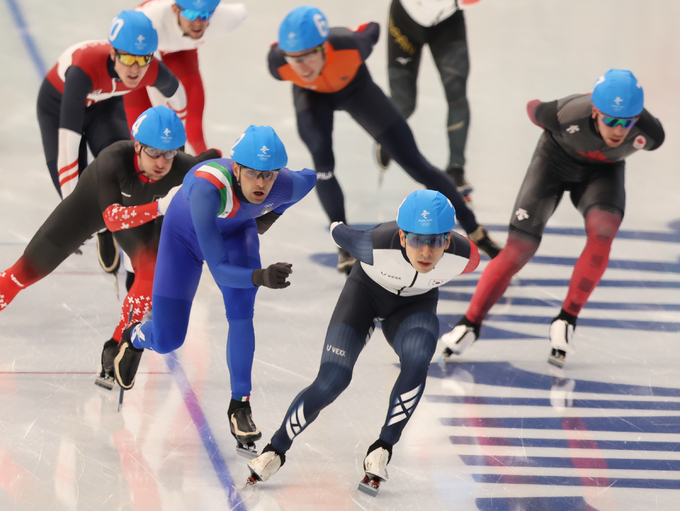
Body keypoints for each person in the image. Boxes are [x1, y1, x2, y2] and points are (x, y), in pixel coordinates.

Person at [245, 189, 480, 495]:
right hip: (365, 297)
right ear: (401, 236)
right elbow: (337, 230)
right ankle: (275, 449)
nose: (425, 252)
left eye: (435, 241)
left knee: (418, 358)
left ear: (448, 240)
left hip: (415, 306)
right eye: (416, 240)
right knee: (333, 379)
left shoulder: (466, 257)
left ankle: (382, 447)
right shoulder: (371, 244)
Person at [111, 125, 316, 455]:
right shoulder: (208, 188)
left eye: (268, 175)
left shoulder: (287, 185)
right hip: (184, 240)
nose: (261, 183)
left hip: (236, 233)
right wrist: (261, 276)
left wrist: (269, 217)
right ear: (236, 169)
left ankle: (240, 405)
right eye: (252, 174)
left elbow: (311, 178)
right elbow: (219, 269)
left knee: (241, 310)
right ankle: (135, 336)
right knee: (168, 339)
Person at [439, 69, 665, 368]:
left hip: (602, 173)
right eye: (611, 120)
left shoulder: (651, 133)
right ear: (595, 112)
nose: (619, 130)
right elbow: (532, 107)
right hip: (553, 163)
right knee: (520, 247)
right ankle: (470, 322)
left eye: (627, 122)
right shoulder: (564, 113)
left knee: (603, 232)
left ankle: (567, 318)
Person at [267, 5, 501, 274]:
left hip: (356, 89)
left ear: (324, 47)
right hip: (312, 97)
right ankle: (344, 246)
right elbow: (284, 55)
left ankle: (475, 230)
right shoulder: (278, 63)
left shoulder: (351, 45)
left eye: (308, 56)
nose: (301, 67)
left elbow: (372, 29)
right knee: (323, 164)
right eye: (293, 58)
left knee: (416, 164)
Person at [0, 106, 220, 384]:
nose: (162, 162)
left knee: (151, 270)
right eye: (153, 151)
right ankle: (103, 239)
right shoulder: (113, 158)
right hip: (92, 209)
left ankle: (119, 343)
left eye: (169, 153)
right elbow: (113, 219)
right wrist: (159, 207)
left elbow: (216, 165)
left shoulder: (183, 167)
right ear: (137, 146)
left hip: (140, 222)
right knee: (23, 273)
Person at [37, 10, 187, 273]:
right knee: (79, 189)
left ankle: (118, 231)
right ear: (113, 54)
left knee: (122, 170)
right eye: (127, 58)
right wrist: (75, 217)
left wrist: (177, 148)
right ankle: (103, 230)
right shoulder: (83, 70)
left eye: (143, 59)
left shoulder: (151, 69)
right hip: (57, 108)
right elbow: (67, 152)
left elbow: (179, 100)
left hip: (104, 108)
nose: (135, 69)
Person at [376, 0, 483, 203]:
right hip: (404, 21)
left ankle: (456, 169)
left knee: (456, 94)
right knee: (404, 102)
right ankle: (385, 134)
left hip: (446, 24)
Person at [127, 0, 247, 155]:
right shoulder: (148, 22)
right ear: (175, 9)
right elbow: (154, 79)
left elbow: (242, 10)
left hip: (180, 53)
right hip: (138, 57)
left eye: (205, 15)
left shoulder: (225, 18)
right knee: (141, 137)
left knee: (194, 133)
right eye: (190, 14)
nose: (197, 22)